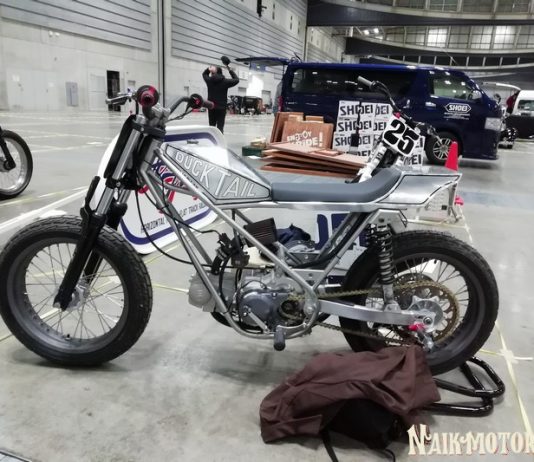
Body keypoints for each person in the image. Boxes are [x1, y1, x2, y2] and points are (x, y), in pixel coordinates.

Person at [202, 64, 239, 133]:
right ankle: (220, 139)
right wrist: (230, 70)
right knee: (220, 128)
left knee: (212, 127)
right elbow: (236, 80)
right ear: (221, 72)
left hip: (211, 106)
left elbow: (204, 74)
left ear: (212, 72)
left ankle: (212, 139)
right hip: (221, 108)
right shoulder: (225, 81)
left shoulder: (209, 80)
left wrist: (208, 69)